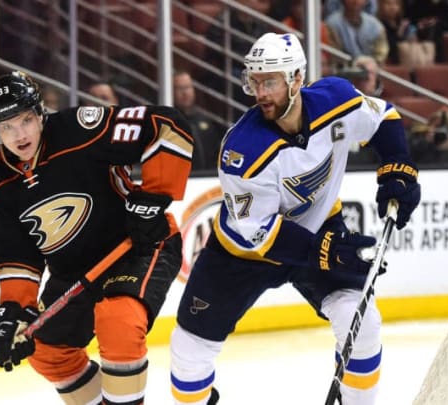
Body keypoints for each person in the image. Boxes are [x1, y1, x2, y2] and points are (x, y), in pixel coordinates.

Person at [169, 32, 421, 405]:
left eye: (269, 81)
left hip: (317, 229)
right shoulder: (242, 150)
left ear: (297, 79)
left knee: (361, 323)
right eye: (254, 82)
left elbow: (383, 118)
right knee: (187, 355)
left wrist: (398, 170)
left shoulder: (335, 99)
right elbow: (256, 233)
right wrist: (325, 250)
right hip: (240, 255)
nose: (260, 93)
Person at [0, 71, 193, 404]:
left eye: (25, 120)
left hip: (137, 246)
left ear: (40, 114)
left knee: (119, 321)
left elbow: (165, 124)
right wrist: (14, 312)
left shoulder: (79, 129)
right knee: (47, 351)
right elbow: (14, 257)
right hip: (74, 271)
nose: (19, 135)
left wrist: (154, 197)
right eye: (7, 127)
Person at [172, 70, 225, 172]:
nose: (185, 93)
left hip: (207, 180)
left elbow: (216, 153)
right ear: (171, 92)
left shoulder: (205, 120)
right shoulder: (168, 122)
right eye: (180, 88)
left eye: (188, 87)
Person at [326, 0, 390, 65]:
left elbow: (381, 53)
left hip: (371, 70)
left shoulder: (376, 25)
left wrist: (371, 62)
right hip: (342, 70)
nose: (356, 1)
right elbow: (334, 54)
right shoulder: (332, 23)